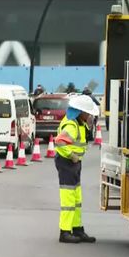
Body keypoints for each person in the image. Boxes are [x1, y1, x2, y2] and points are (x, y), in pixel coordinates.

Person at [53, 94, 99, 243]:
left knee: (77, 199)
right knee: (68, 200)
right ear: (81, 112)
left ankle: (77, 229)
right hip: (67, 163)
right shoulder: (72, 125)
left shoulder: (78, 123)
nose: (90, 116)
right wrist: (71, 154)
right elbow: (59, 141)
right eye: (88, 113)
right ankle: (65, 232)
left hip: (74, 164)